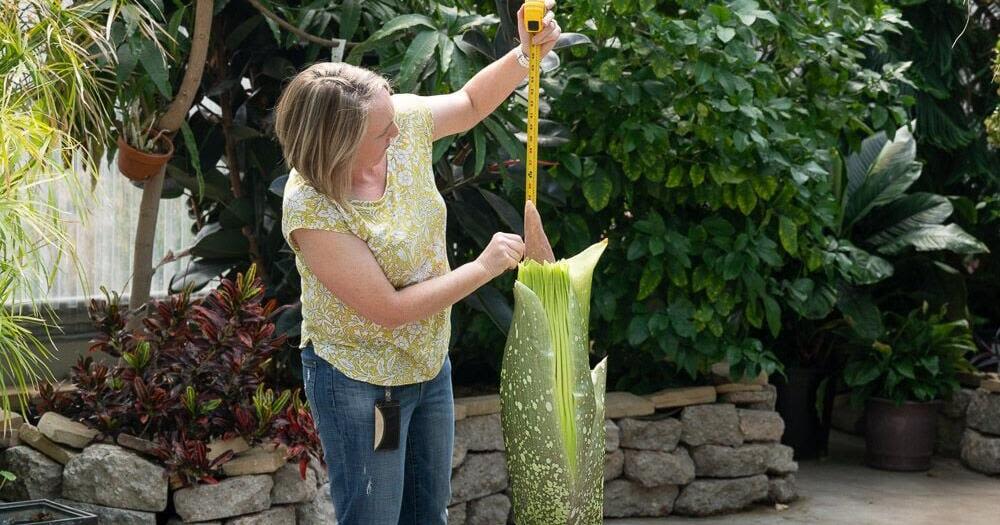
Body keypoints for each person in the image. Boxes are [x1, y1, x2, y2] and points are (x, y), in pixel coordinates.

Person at [273, 2, 561, 523]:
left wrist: (525, 55)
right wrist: (483, 267)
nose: (398, 135)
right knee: (377, 516)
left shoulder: (393, 122)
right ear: (337, 145)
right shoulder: (311, 206)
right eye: (382, 133)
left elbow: (471, 102)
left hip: (428, 366)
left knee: (428, 514)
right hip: (363, 382)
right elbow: (388, 309)